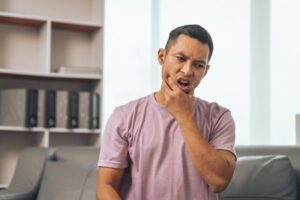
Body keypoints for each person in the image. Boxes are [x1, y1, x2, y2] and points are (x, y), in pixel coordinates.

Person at [97, 24, 236, 200]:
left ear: (205, 71)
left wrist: (184, 115)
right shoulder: (124, 116)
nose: (187, 71)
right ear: (162, 57)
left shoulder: (220, 117)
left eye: (198, 65)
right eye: (180, 58)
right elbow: (106, 185)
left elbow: (219, 181)